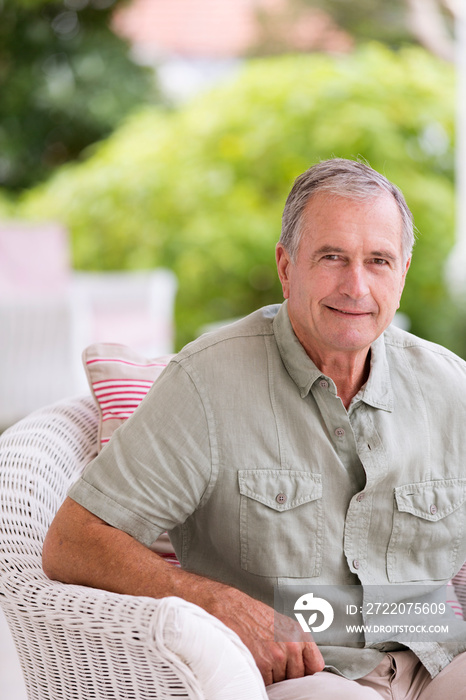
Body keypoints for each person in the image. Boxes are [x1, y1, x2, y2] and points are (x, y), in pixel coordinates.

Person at [43, 158, 466, 699]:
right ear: (286, 267)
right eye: (332, 257)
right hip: (310, 677)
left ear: (402, 275)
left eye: (378, 261)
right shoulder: (206, 384)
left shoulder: (449, 386)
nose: (356, 286)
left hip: (440, 662)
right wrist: (213, 602)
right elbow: (71, 541)